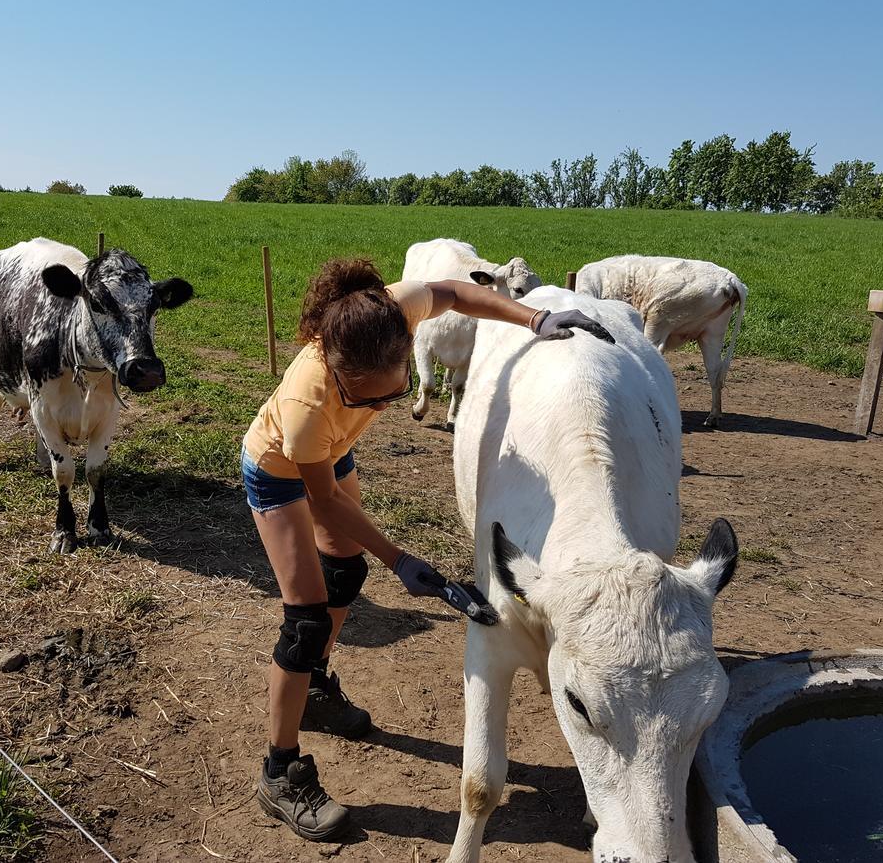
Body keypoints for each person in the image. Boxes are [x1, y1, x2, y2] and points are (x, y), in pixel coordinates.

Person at [241, 257, 613, 840]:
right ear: (339, 378)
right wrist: (401, 560)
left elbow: (460, 294)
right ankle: (279, 771)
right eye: (370, 401)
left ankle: (312, 688)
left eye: (395, 395)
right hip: (281, 469)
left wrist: (534, 316)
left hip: (332, 453)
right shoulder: (306, 406)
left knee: (344, 573)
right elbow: (328, 501)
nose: (383, 408)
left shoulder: (391, 313)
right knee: (307, 617)